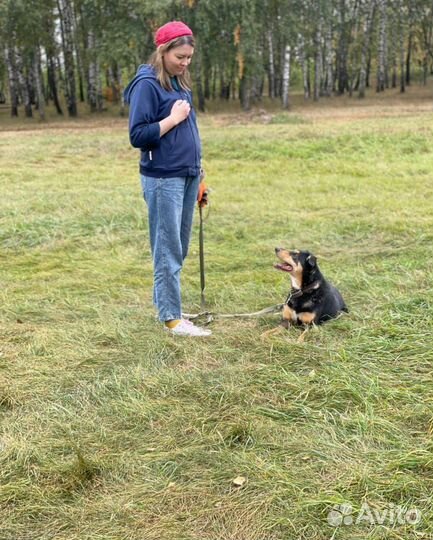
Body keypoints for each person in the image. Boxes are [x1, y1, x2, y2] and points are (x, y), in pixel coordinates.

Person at [124, 21, 211, 337]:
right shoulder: (146, 84)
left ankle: (167, 305)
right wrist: (172, 119)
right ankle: (172, 319)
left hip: (186, 175)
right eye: (180, 57)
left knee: (180, 245)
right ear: (163, 51)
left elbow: (191, 131)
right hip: (163, 179)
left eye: (189, 57)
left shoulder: (178, 82)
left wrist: (198, 171)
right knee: (167, 249)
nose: (185, 63)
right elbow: (138, 135)